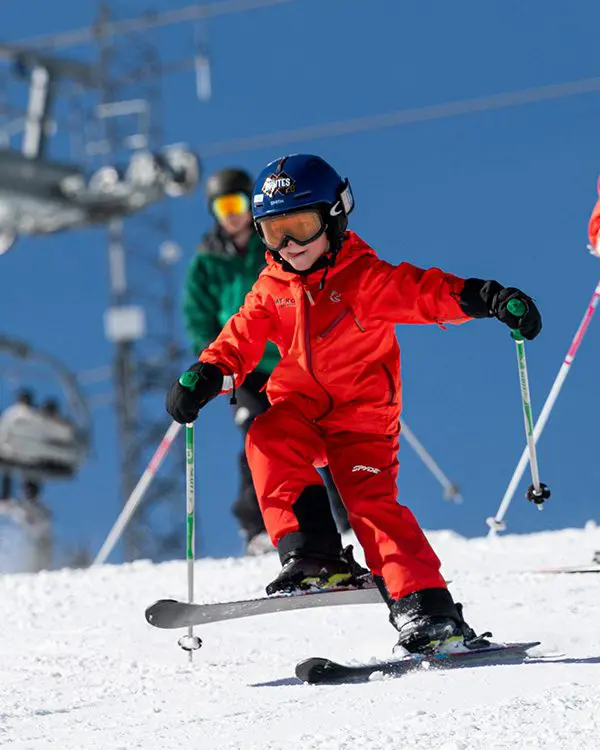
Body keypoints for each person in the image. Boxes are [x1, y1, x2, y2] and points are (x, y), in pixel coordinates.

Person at [167, 154, 542, 654]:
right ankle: (314, 554)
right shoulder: (270, 289)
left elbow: (427, 293)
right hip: (300, 410)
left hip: (360, 423)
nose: (290, 246)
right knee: (266, 436)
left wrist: (489, 298)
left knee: (371, 506)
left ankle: (428, 611)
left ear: (335, 217)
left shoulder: (363, 280)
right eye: (274, 233)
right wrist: (208, 375)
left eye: (301, 227)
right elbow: (238, 342)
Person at [182, 166, 349, 555]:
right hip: (248, 368)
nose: (231, 214)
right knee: (260, 437)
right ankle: (259, 527)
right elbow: (197, 314)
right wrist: (213, 358)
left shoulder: (275, 244)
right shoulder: (207, 261)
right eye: (222, 206)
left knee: (323, 435)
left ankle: (345, 518)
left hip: (295, 359)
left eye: (237, 203)